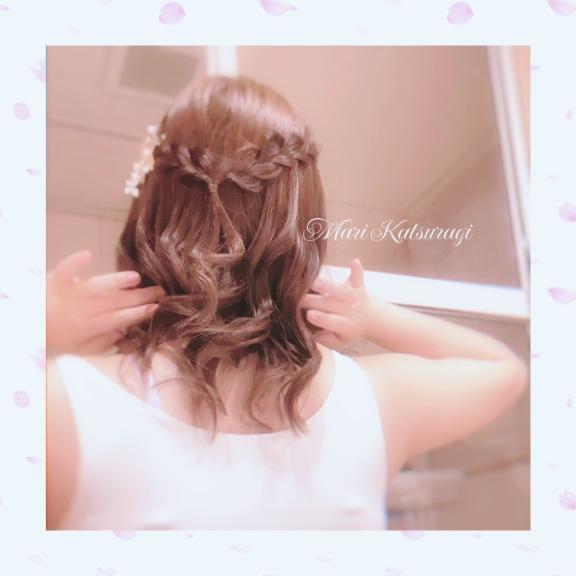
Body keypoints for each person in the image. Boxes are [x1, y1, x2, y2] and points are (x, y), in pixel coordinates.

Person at [46, 75, 528, 530]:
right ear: (304, 227)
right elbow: (502, 370)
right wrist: (372, 316)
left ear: (152, 217)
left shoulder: (61, 407)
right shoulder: (374, 403)